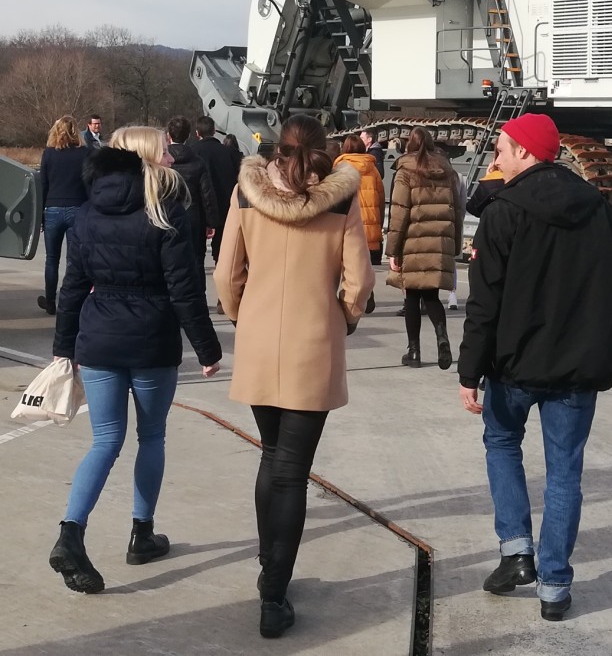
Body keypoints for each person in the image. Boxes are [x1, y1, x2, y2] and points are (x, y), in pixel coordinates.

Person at [458, 113, 612, 622]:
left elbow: (485, 302)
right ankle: (555, 588)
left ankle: (516, 551)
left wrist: (468, 371)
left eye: (501, 148)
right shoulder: (598, 207)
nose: (495, 157)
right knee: (565, 473)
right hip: (579, 369)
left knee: (502, 442)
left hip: (515, 364)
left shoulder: (503, 212)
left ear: (524, 151)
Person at [214, 114, 374, 639]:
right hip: (314, 340)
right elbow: (358, 279)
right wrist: (345, 316)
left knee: (271, 457)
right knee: (292, 470)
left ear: (277, 146)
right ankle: (275, 591)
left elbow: (225, 271)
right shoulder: (341, 199)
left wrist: (243, 314)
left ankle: (268, 571)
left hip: (261, 336)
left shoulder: (247, 193)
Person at [49, 126, 222, 594]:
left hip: (99, 336)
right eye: (164, 149)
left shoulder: (87, 214)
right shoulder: (168, 216)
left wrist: (64, 347)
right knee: (152, 436)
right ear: (148, 157)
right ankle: (141, 534)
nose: (171, 155)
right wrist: (207, 348)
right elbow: (185, 291)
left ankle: (71, 531)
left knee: (104, 440)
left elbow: (71, 287)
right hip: (150, 340)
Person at [386, 126, 464, 370]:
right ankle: (443, 339)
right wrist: (455, 246)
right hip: (439, 241)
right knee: (431, 296)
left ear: (409, 144)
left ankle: (414, 351)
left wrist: (392, 250)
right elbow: (457, 212)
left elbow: (399, 212)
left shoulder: (405, 170)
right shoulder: (447, 170)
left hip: (412, 241)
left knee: (411, 296)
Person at [37, 115, 89, 316]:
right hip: (77, 207)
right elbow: (89, 183)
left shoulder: (49, 154)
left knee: (51, 259)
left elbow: (43, 185)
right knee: (73, 260)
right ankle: (72, 300)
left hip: (53, 208)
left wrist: (41, 215)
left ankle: (50, 301)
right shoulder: (85, 153)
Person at [167, 115, 219, 303]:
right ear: (189, 135)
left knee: (170, 260)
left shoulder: (163, 161)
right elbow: (207, 194)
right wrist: (211, 221)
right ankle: (199, 299)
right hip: (193, 215)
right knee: (197, 260)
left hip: (167, 216)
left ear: (168, 136)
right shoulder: (197, 162)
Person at [192, 115, 240, 312]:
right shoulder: (228, 153)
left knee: (197, 256)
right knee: (223, 257)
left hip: (198, 210)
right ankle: (223, 299)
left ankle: (200, 298)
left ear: (197, 133)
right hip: (226, 209)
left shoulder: (193, 152)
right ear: (214, 131)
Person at [333, 134, 385, 313]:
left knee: (346, 264)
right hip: (370, 223)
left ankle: (352, 298)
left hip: (348, 223)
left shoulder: (339, 168)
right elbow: (380, 199)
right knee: (366, 263)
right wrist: (379, 224)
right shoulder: (373, 169)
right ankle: (367, 293)